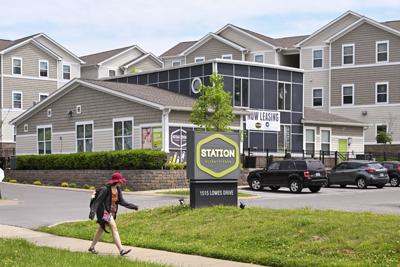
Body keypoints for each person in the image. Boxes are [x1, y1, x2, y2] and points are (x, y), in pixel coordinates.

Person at [88, 172, 138, 256]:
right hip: (104, 212)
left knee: (101, 229)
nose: (122, 183)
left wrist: (132, 206)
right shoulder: (105, 189)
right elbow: (98, 201)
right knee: (114, 227)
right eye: (120, 181)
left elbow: (122, 201)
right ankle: (121, 250)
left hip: (111, 212)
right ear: (116, 181)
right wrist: (92, 212)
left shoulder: (118, 189)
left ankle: (92, 247)